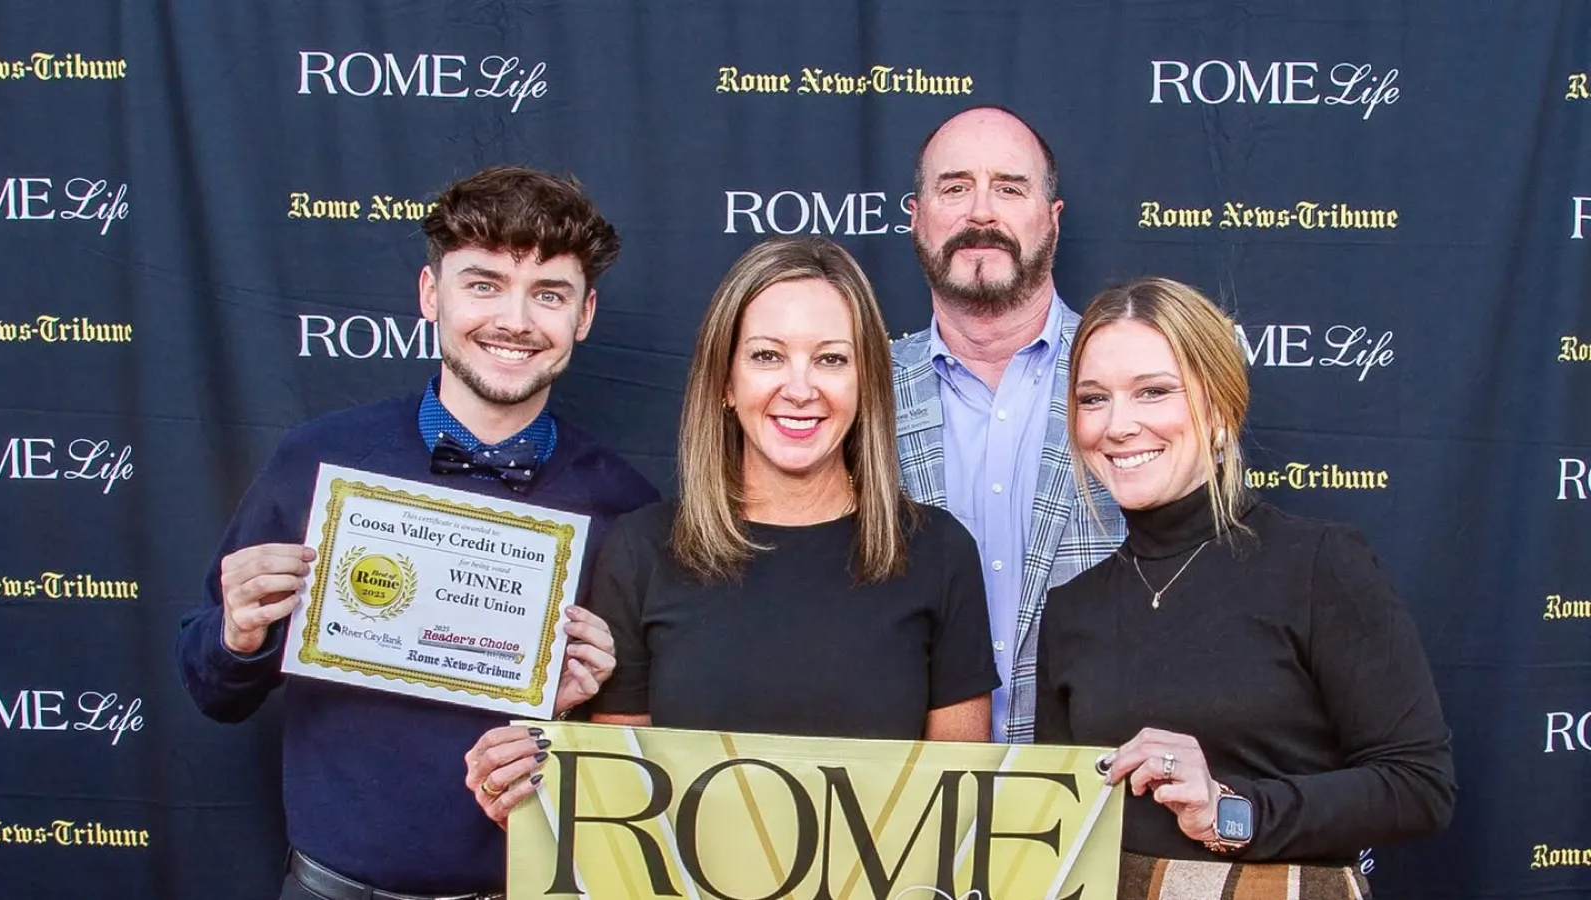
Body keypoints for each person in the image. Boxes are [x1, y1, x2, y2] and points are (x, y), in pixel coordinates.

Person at [175, 165, 660, 900]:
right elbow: (212, 688)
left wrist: (584, 714)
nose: (516, 320)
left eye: (549, 295)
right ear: (431, 294)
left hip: (530, 887)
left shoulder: (626, 507)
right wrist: (237, 634)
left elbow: (638, 768)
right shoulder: (319, 460)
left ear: (584, 315)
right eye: (484, 284)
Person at [1035, 277, 1455, 898]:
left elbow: (1420, 787)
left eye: (1153, 392)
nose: (1118, 425)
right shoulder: (1073, 608)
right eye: (1093, 399)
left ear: (1221, 408)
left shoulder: (1318, 565)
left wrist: (1230, 809)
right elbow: (1064, 824)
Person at [586, 236, 999, 741]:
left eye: (831, 359)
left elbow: (954, 804)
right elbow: (618, 797)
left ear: (866, 382)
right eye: (767, 356)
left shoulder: (939, 551)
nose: (801, 390)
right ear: (725, 382)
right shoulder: (639, 552)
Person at [893, 105, 1125, 744]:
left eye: (1010, 188)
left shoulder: (1139, 385)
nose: (981, 213)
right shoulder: (855, 393)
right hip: (902, 802)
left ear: (1052, 221)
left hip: (1099, 798)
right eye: (955, 187)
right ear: (916, 218)